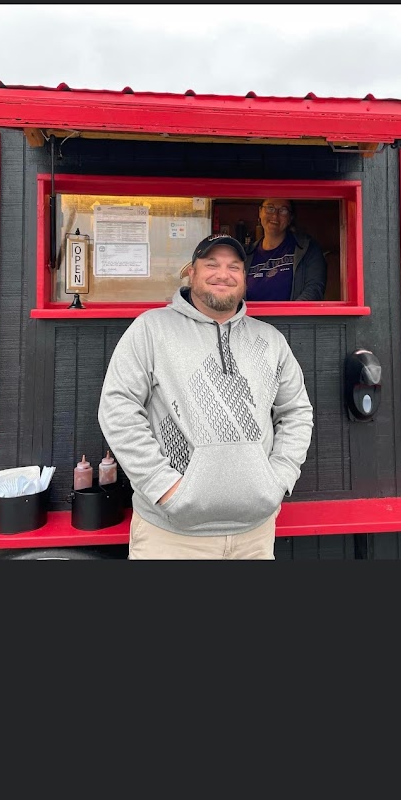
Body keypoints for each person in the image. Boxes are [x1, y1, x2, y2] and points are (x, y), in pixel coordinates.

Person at [98, 234, 314, 559]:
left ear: (244, 277)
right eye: (211, 264)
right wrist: (162, 486)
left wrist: (279, 478)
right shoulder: (151, 330)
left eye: (234, 267)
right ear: (191, 272)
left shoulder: (270, 341)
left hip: (254, 536)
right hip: (171, 536)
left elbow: (296, 412)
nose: (223, 274)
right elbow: (118, 409)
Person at [246, 197, 327, 302]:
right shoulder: (244, 255)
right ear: (260, 212)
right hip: (249, 313)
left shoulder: (308, 249)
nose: (275, 216)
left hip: (294, 313)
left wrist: (292, 312)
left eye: (283, 210)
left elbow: (314, 290)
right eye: (270, 208)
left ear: (290, 218)